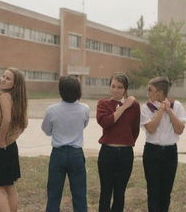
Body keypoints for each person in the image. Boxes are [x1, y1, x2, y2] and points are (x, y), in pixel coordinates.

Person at [41, 76, 90, 212]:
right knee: (79, 194)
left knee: (54, 195)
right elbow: (84, 124)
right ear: (78, 91)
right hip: (76, 154)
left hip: (58, 154)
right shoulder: (84, 108)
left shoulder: (52, 110)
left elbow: (46, 129)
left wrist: (56, 133)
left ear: (61, 91)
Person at [0, 67, 28, 212]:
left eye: (8, 78)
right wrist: (11, 138)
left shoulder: (3, 96)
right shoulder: (17, 99)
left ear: (14, 84)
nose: (3, 79)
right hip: (10, 147)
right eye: (3, 76)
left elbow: (7, 119)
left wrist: (2, 140)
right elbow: (24, 124)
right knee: (9, 187)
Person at [96, 72, 140, 212]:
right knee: (106, 191)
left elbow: (135, 130)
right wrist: (124, 106)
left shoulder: (135, 106)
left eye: (120, 87)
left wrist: (126, 141)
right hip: (107, 152)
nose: (116, 90)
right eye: (113, 86)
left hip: (126, 154)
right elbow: (105, 123)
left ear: (125, 89)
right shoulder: (103, 104)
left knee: (120, 192)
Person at [140, 77, 186, 212]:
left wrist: (169, 110)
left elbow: (179, 129)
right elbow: (151, 129)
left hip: (170, 153)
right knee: (153, 191)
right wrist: (161, 110)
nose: (148, 93)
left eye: (150, 90)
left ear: (160, 92)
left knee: (166, 192)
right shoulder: (145, 108)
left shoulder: (176, 106)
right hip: (152, 152)